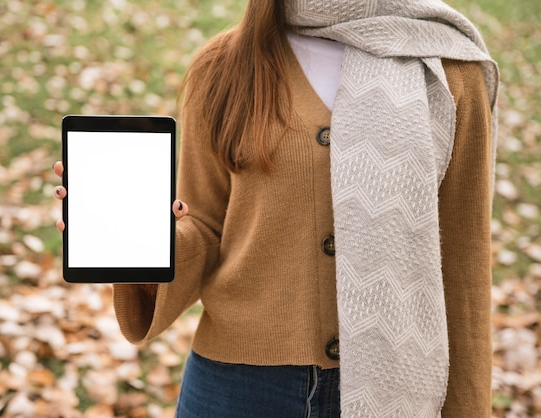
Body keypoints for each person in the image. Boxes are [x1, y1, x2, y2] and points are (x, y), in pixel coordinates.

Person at [53, 0, 499, 416]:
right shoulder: (226, 64)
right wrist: (132, 236)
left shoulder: (448, 69)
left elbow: (462, 265)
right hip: (236, 388)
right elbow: (205, 225)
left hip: (395, 386)